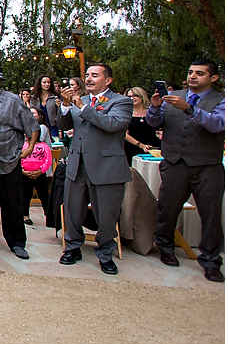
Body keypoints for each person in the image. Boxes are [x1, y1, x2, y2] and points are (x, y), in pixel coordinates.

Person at [146, 60, 225, 282]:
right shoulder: (172, 96)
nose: (193, 76)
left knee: (210, 215)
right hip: (174, 161)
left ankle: (210, 261)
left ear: (213, 78)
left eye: (200, 73)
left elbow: (219, 124)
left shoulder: (221, 99)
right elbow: (154, 123)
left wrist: (188, 109)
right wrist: (154, 107)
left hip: (207, 165)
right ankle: (165, 248)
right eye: (191, 72)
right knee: (167, 208)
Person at [56, 64, 132, 275]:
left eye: (94, 76)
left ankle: (105, 253)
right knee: (72, 208)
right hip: (77, 164)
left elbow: (112, 124)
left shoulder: (122, 102)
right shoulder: (82, 101)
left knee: (106, 213)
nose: (88, 79)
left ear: (108, 80)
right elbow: (63, 125)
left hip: (106, 166)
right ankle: (72, 247)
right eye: (87, 75)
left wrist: (81, 106)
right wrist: (64, 104)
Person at [0, 63, 39, 260]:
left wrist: (29, 148)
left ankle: (17, 242)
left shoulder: (13, 102)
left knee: (12, 205)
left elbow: (32, 126)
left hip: (8, 162)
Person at [22, 107, 53, 226]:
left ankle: (49, 216)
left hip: (40, 173)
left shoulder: (43, 145)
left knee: (44, 195)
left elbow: (48, 159)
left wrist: (41, 171)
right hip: (26, 174)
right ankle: (25, 215)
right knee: (26, 194)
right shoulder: (23, 145)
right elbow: (19, 159)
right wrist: (23, 171)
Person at [123, 87, 160, 163]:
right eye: (129, 96)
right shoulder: (126, 114)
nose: (132, 98)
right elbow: (124, 134)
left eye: (134, 96)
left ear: (142, 96)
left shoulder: (152, 112)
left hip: (154, 148)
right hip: (133, 149)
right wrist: (141, 145)